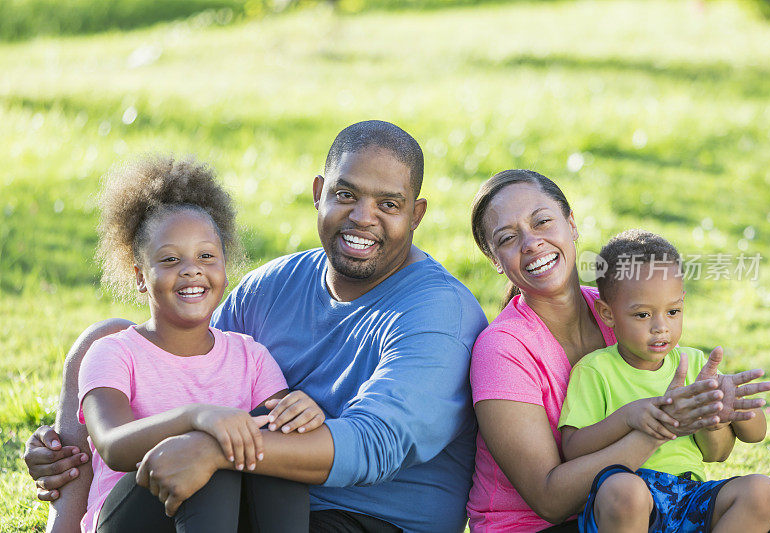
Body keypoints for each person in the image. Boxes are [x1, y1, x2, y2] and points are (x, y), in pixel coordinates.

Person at [25, 120, 488, 533]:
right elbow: (193, 364)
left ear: (416, 215)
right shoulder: (274, 285)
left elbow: (375, 443)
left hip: (369, 517)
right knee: (100, 338)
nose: (363, 217)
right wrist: (69, 441)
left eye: (388, 204)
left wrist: (216, 449)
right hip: (255, 498)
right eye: (346, 195)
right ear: (318, 192)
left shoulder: (438, 313)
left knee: (228, 464)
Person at [466, 169, 770, 532]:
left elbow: (716, 452)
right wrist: (659, 426)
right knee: (627, 495)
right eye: (508, 238)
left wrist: (715, 413)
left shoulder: (628, 308)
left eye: (543, 222)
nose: (532, 242)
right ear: (495, 262)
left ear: (572, 225)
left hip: (662, 502)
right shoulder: (502, 350)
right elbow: (549, 501)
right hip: (543, 524)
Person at [77, 155, 326, 532]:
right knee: (203, 454)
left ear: (225, 266)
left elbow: (278, 436)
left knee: (265, 455)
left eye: (206, 256)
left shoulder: (251, 358)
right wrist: (195, 417)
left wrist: (302, 415)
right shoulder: (114, 353)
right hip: (129, 518)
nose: (191, 269)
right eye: (171, 259)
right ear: (141, 277)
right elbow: (112, 446)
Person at [558, 229, 770, 533]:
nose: (661, 327)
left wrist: (723, 416)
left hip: (689, 495)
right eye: (642, 315)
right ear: (607, 314)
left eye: (673, 311)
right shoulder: (596, 370)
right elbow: (572, 448)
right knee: (624, 490)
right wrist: (629, 417)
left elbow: (756, 436)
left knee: (762, 491)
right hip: (633, 496)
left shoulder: (697, 365)